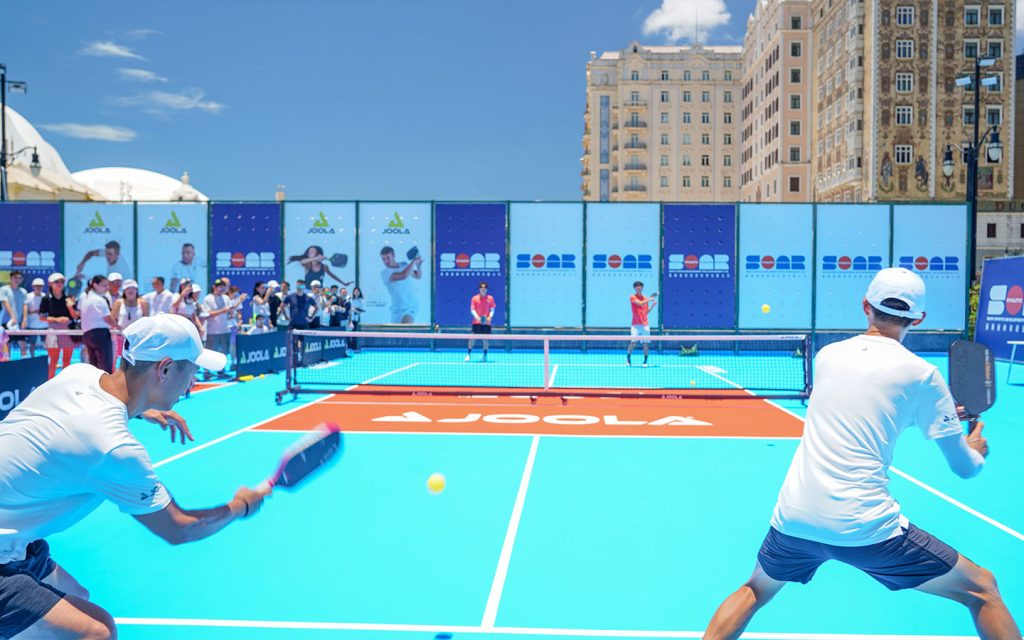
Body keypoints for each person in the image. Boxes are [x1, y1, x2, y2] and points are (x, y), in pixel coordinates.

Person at [703, 268, 1020, 639]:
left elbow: (868, 406)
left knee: (754, 590)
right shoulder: (923, 375)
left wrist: (937, 410)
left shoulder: (828, 356)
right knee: (983, 589)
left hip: (794, 520)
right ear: (918, 318)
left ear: (865, 306)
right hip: (867, 529)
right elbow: (964, 468)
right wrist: (974, 448)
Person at [0, 313, 267, 639]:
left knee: (78, 598)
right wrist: (241, 506)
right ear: (165, 369)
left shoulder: (78, 373)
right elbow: (179, 528)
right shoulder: (113, 448)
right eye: (193, 369)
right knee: (96, 632)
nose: (195, 379)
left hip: (15, 543)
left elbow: (85, 412)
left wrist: (141, 409)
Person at [39, 273, 79, 378]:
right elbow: (42, 317)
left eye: (62, 281)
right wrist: (58, 319)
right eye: (57, 282)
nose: (60, 284)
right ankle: (50, 384)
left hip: (68, 329)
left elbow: (75, 316)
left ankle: (64, 383)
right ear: (51, 284)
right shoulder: (46, 298)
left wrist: (70, 307)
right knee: (54, 360)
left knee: (67, 360)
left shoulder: (69, 297)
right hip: (53, 329)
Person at [79, 276, 119, 374]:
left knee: (94, 366)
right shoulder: (99, 300)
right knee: (106, 366)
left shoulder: (85, 298)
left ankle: (95, 387)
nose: (107, 288)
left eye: (107, 285)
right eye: (104, 285)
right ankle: (106, 388)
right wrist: (120, 327)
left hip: (87, 335)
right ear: (95, 285)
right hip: (100, 334)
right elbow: (107, 318)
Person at [202, 279, 239, 379]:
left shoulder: (226, 298)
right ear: (214, 287)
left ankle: (221, 370)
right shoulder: (207, 299)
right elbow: (208, 314)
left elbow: (230, 312)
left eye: (223, 286)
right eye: (219, 286)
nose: (221, 288)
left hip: (225, 329)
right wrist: (222, 311)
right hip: (212, 331)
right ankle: (206, 371)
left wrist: (232, 311)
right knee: (210, 352)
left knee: (223, 352)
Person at [379, 246, 421, 323]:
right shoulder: (385, 273)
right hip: (396, 310)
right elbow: (403, 275)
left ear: (394, 255)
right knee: (395, 334)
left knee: (404, 330)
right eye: (383, 259)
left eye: (388, 257)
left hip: (410, 307)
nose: (386, 261)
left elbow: (418, 276)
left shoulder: (404, 265)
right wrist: (414, 261)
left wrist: (418, 266)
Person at [111, 279, 148, 359]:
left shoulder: (143, 303)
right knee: (118, 359)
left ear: (137, 290)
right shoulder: (119, 302)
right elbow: (112, 319)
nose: (130, 290)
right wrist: (119, 328)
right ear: (124, 291)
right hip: (121, 336)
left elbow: (147, 321)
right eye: (128, 288)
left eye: (133, 288)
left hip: (137, 338)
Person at [626, 281, 657, 367]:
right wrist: (650, 299)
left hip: (645, 324)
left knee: (645, 344)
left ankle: (645, 361)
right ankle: (628, 359)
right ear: (635, 288)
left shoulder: (645, 298)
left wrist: (652, 306)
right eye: (637, 287)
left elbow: (645, 312)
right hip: (635, 325)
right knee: (633, 342)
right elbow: (639, 303)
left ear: (642, 288)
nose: (638, 288)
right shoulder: (632, 297)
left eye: (640, 287)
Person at [0, 271, 29, 359]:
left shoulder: (23, 291)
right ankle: (7, 362)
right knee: (7, 343)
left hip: (19, 322)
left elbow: (25, 305)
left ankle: (24, 361)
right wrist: (13, 318)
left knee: (22, 342)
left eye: (19, 278)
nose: (17, 280)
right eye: (15, 277)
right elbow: (6, 303)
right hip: (7, 322)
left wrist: (24, 319)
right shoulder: (4, 289)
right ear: (10, 278)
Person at [466, 282, 496, 363]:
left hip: (487, 323)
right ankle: (468, 354)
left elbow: (492, 309)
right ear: (479, 289)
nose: (483, 289)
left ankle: (485, 356)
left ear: (486, 289)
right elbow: (472, 309)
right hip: (476, 323)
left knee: (485, 340)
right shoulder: (474, 298)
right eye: (481, 288)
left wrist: (490, 317)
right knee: (472, 338)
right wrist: (477, 318)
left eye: (484, 288)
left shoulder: (490, 298)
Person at [24, 278, 49, 357]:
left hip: (44, 325)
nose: (38, 288)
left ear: (43, 287)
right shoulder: (28, 296)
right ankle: (32, 358)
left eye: (40, 286)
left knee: (47, 344)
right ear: (33, 287)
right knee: (32, 343)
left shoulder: (46, 296)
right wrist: (34, 312)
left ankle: (49, 359)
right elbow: (25, 310)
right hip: (32, 325)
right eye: (36, 286)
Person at [349, 286, 364, 351]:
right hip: (349, 319)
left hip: (356, 319)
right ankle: (349, 347)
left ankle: (355, 347)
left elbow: (361, 309)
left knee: (355, 333)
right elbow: (348, 307)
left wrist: (356, 310)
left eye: (358, 291)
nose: (356, 293)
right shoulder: (350, 299)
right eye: (355, 291)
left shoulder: (361, 300)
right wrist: (352, 309)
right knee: (349, 333)